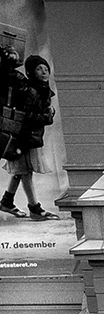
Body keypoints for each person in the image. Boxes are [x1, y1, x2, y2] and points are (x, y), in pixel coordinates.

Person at [0, 54, 56, 221]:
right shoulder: (32, 90)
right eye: (39, 69)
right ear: (32, 72)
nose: (44, 72)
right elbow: (27, 115)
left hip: (27, 137)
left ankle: (7, 202)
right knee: (25, 172)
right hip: (23, 137)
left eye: (46, 69)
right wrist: (47, 117)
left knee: (20, 171)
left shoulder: (42, 89)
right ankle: (35, 208)